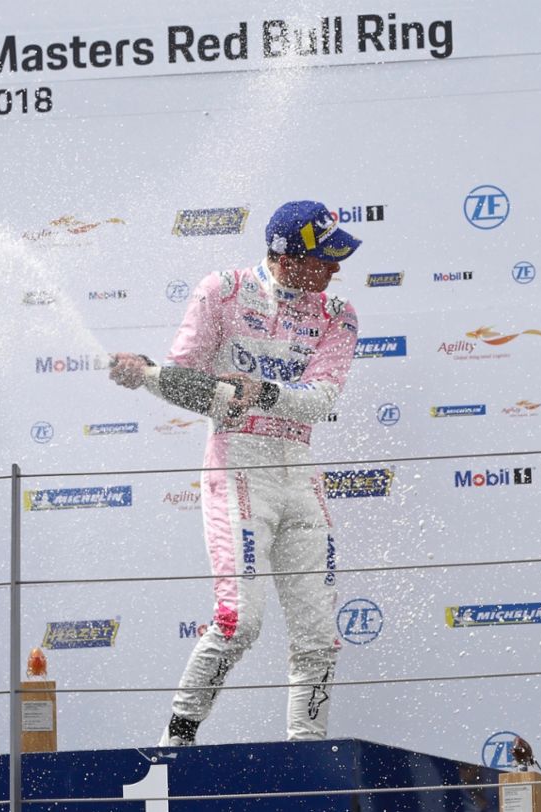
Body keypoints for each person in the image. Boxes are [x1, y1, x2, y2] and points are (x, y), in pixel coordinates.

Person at [109, 200, 361, 745]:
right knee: (239, 621)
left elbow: (319, 399)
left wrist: (260, 391)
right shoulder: (222, 290)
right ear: (285, 256)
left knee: (319, 634)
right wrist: (147, 376)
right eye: (324, 258)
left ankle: (307, 753)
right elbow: (183, 379)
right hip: (239, 469)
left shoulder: (338, 312)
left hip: (301, 477)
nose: (335, 269)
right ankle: (177, 743)